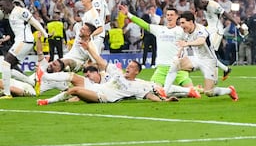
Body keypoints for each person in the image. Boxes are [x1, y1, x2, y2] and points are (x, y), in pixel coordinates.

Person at [37, 37, 179, 105]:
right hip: (96, 88)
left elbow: (150, 96)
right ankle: (45, 78)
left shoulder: (138, 86)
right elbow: (99, 60)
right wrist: (89, 49)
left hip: (103, 97)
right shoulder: (117, 72)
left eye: (131, 67)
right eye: (128, 66)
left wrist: (165, 101)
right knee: (74, 80)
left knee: (75, 90)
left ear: (137, 72)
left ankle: (46, 101)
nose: (127, 68)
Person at [119, 5, 200, 98]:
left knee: (191, 91)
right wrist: (128, 14)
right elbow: (143, 24)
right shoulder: (159, 29)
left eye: (172, 15)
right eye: (168, 15)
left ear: (177, 17)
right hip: (162, 68)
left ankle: (192, 90)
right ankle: (188, 91)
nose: (169, 17)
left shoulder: (181, 30)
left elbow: (193, 34)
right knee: (155, 91)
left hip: (178, 67)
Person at [163, 11, 239, 101]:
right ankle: (164, 93)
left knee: (209, 92)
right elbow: (182, 43)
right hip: (194, 58)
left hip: (208, 61)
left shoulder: (201, 30)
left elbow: (201, 41)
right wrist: (179, 53)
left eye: (183, 23)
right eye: (180, 23)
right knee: (175, 64)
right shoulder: (184, 31)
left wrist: (187, 44)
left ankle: (230, 90)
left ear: (191, 22)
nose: (181, 25)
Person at [0, 0, 48, 99]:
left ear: (8, 4)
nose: (2, 9)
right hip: (20, 42)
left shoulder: (20, 11)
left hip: (25, 41)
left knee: (5, 63)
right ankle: (32, 82)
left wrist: (45, 33)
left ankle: (7, 93)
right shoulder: (10, 14)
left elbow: (33, 21)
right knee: (9, 69)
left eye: (2, 6)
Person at [194, 0, 240, 80]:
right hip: (209, 30)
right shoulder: (202, 5)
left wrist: (238, 25)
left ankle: (215, 77)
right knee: (209, 53)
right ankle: (225, 69)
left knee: (210, 53)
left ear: (202, 3)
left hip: (217, 31)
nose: (201, 10)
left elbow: (226, 15)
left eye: (201, 8)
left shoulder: (213, 5)